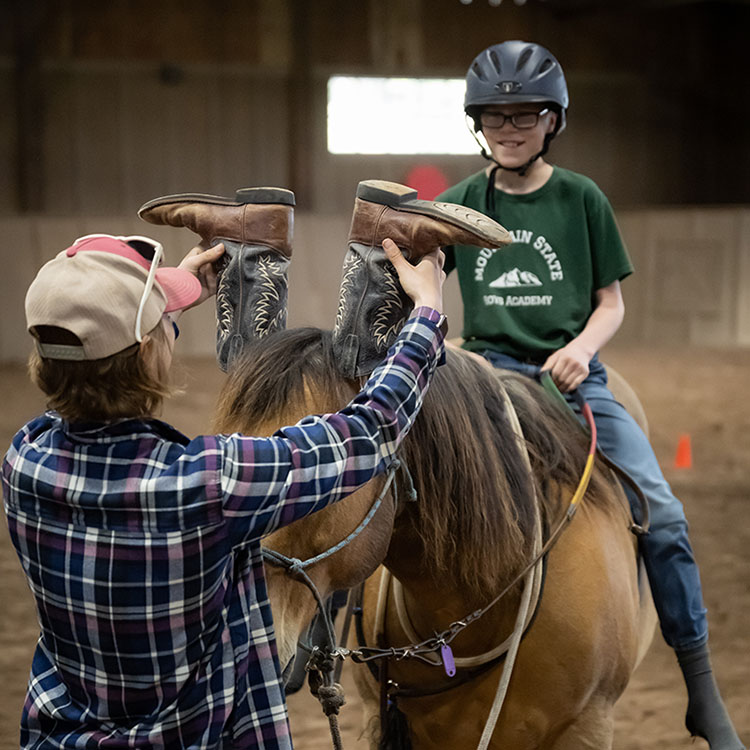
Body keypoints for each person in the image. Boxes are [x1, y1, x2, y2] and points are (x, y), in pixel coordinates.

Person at [2, 204, 446, 749]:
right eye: (164, 323)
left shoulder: (25, 461)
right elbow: (370, 428)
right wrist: (426, 312)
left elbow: (86, 379)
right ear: (149, 354)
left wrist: (166, 303)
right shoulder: (209, 486)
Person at [437, 40, 744, 750]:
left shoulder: (581, 199)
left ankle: (701, 688)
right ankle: (327, 640)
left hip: (571, 378)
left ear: (554, 120)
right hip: (483, 377)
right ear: (476, 123)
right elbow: (420, 268)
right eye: (494, 117)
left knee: (663, 516)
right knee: (395, 481)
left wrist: (578, 349)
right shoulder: (459, 203)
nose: (509, 129)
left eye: (525, 116)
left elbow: (610, 303)